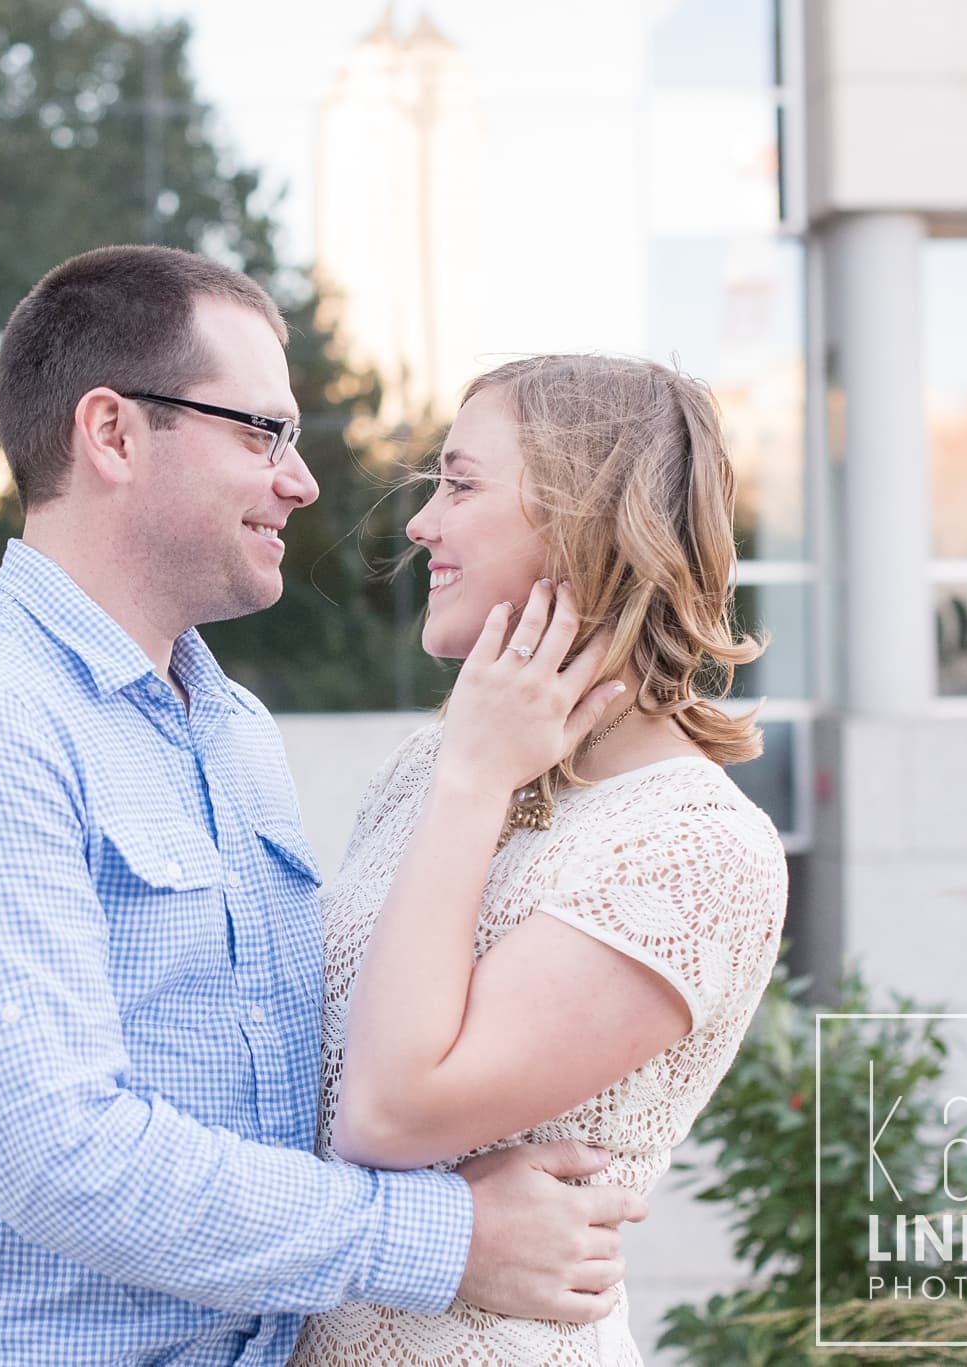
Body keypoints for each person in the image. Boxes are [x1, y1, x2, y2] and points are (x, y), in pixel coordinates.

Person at [0, 248, 647, 1367]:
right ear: (110, 434)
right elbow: (57, 1152)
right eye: (260, 433)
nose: (301, 481)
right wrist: (451, 1235)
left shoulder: (232, 729)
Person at [288, 355, 791, 1366]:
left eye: (459, 482)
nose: (421, 522)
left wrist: (475, 782)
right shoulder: (429, 765)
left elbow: (391, 1111)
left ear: (582, 518)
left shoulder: (699, 847)